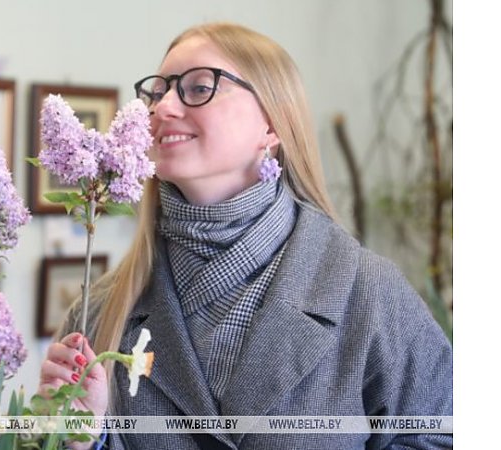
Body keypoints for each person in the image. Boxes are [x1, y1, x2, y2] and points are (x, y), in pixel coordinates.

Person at [38, 22, 452, 449]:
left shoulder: (366, 290)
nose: (162, 109)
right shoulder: (99, 315)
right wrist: (83, 441)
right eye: (158, 92)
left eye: (198, 88)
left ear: (272, 125)